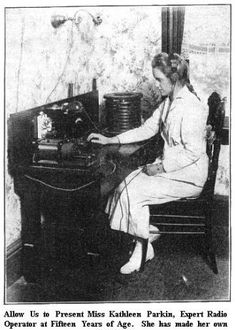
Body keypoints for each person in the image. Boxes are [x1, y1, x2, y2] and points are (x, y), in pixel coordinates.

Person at [87, 52, 209, 274]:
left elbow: (193, 152)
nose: (156, 84)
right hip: (174, 169)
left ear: (174, 80)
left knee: (134, 192)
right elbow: (148, 128)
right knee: (124, 184)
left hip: (189, 176)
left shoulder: (192, 107)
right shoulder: (169, 102)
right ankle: (143, 234)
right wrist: (112, 139)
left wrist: (161, 167)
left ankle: (141, 250)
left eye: (160, 80)